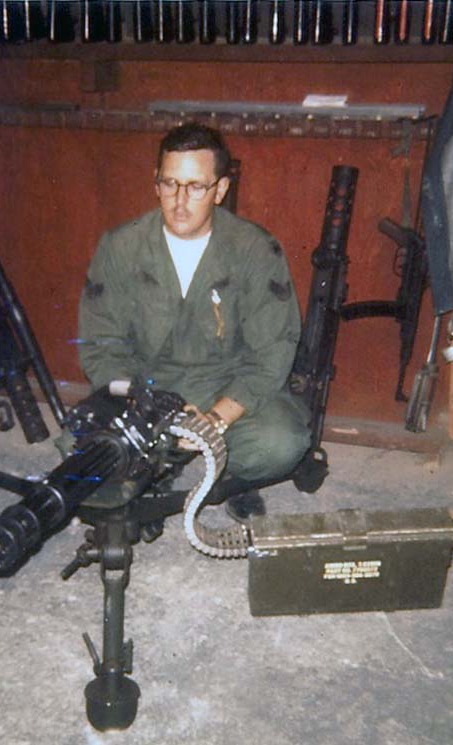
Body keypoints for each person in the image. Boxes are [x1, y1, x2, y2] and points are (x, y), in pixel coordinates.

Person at [76, 122, 310, 521]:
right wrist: (140, 406)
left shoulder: (255, 249)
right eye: (170, 184)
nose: (180, 201)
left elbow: (272, 352)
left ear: (220, 190)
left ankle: (227, 473)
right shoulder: (121, 246)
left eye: (196, 187)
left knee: (281, 443)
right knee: (79, 450)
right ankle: (156, 462)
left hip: (225, 385)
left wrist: (217, 419)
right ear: (156, 184)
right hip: (147, 387)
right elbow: (101, 344)